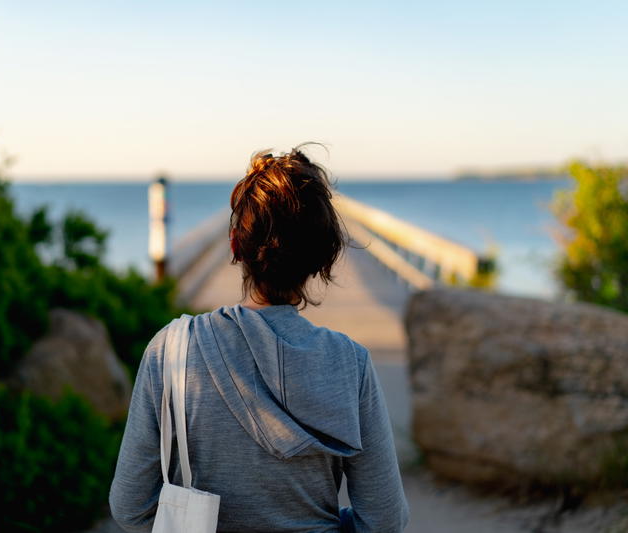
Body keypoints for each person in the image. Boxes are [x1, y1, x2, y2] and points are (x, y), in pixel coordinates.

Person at [109, 145, 409, 532]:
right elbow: (384, 520)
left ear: (235, 245)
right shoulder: (350, 364)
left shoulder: (173, 350)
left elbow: (131, 505)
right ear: (323, 257)